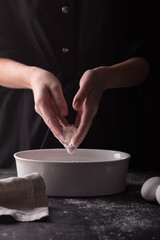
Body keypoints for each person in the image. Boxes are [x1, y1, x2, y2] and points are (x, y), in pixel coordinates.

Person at [0, 1, 159, 168]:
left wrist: (106, 77)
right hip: (22, 131)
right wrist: (31, 76)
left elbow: (151, 56)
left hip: (116, 128)